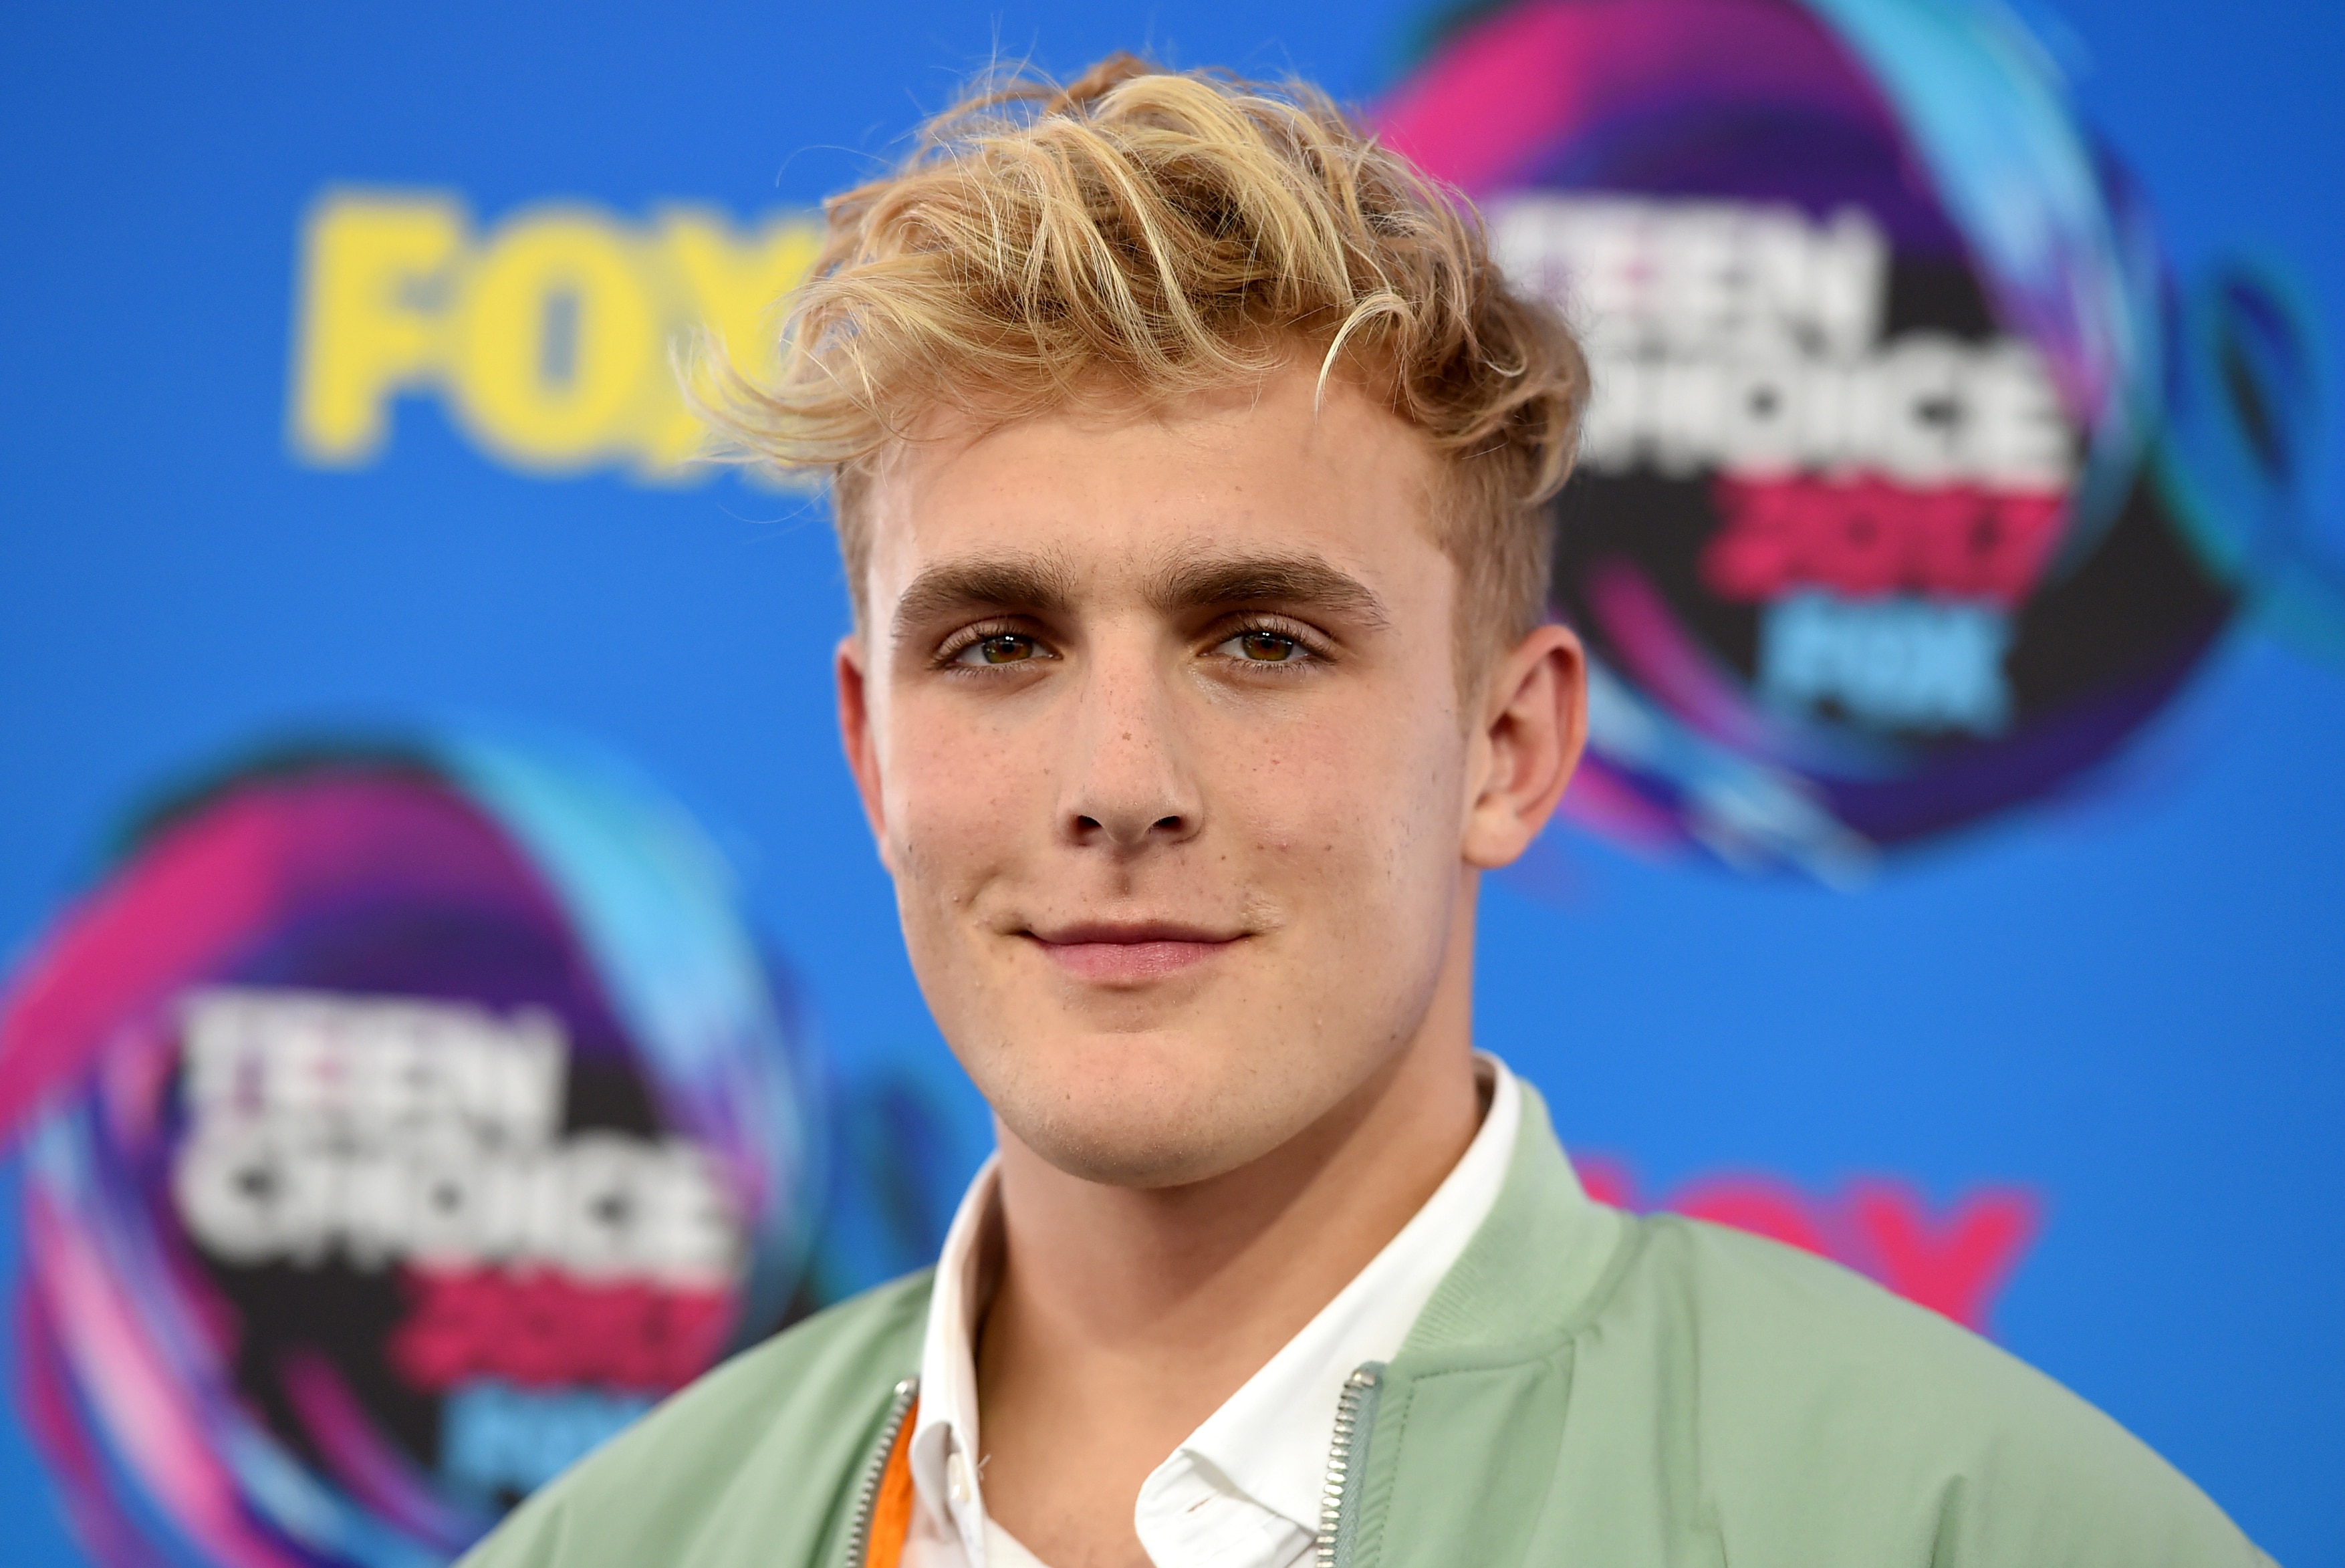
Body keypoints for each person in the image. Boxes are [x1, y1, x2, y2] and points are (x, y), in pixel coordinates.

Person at [460, 53, 2269, 1568]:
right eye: (999, 643)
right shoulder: (608, 1543)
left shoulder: (1960, 1525)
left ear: (1508, 747)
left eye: (1259, 639)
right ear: (871, 754)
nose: (1117, 786)